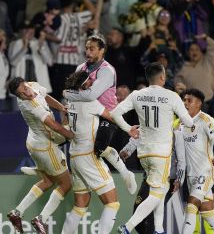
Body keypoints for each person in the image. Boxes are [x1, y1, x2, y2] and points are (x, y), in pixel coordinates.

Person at [110, 62, 194, 234]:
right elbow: (188, 122)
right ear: (163, 77)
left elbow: (114, 113)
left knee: (159, 189)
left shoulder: (137, 95)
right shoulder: (171, 96)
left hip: (144, 153)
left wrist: (128, 129)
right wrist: (188, 122)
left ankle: (159, 229)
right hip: (161, 153)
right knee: (159, 191)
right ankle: (128, 226)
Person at [63, 34, 138, 194]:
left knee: (99, 147)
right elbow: (79, 92)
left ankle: (125, 174)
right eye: (86, 48)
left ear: (102, 51)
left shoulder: (107, 71)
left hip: (108, 115)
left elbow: (90, 95)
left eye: (92, 49)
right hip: (87, 114)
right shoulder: (80, 68)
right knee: (63, 139)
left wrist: (68, 94)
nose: (87, 52)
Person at [6, 77, 74, 234]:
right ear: (18, 97)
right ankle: (41, 219)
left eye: (25, 88)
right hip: (46, 148)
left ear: (26, 84)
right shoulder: (30, 105)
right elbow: (54, 125)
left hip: (33, 143)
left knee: (48, 180)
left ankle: (17, 213)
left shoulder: (33, 85)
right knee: (66, 184)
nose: (26, 93)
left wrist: (61, 108)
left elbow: (45, 96)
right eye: (21, 94)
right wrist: (71, 136)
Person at [61, 70, 123, 234]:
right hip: (88, 156)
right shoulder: (90, 102)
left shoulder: (69, 100)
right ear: (84, 84)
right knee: (112, 203)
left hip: (74, 156)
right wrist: (129, 127)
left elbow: (66, 125)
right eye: (90, 81)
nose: (93, 83)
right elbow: (112, 117)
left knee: (80, 205)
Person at [176, 88, 214, 234]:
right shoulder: (180, 124)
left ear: (198, 103)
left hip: (206, 171)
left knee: (191, 206)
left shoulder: (206, 120)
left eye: (189, 100)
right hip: (190, 175)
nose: (185, 103)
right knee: (207, 212)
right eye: (184, 100)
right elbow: (179, 156)